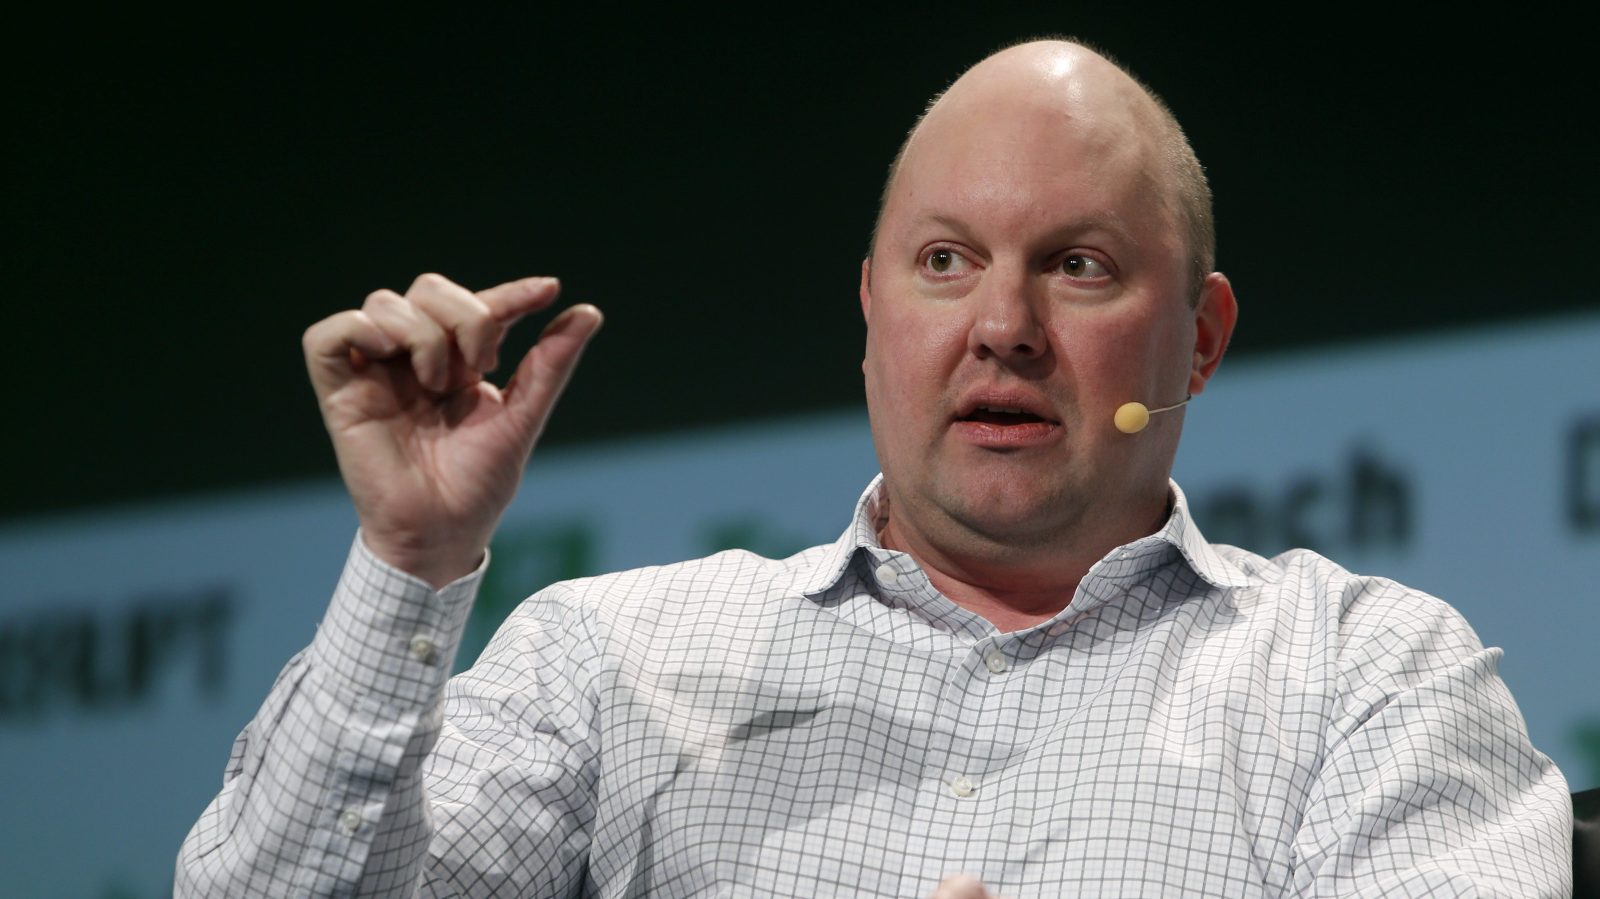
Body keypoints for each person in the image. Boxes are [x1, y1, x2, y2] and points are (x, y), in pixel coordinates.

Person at [175, 39, 1573, 897]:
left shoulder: (1367, 679)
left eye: (1077, 268)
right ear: (873, 315)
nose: (1003, 328)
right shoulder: (609, 664)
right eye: (946, 263)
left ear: (1197, 340)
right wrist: (407, 566)